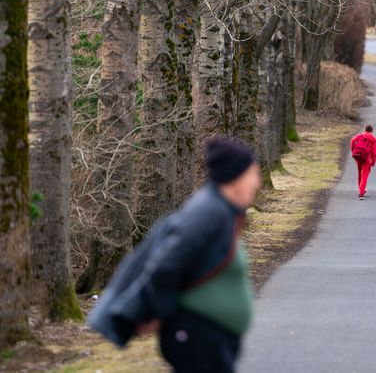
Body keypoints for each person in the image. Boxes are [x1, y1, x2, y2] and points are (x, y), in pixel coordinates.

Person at [89, 137, 261, 373]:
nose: (257, 182)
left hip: (207, 338)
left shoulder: (221, 210)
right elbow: (165, 266)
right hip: (195, 335)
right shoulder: (210, 212)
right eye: (253, 174)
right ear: (235, 178)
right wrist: (165, 314)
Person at [350, 124, 376, 200]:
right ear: (372, 131)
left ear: (365, 129)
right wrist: (373, 163)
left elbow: (352, 141)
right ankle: (361, 192)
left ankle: (361, 190)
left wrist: (353, 151)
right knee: (364, 175)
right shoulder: (373, 140)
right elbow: (374, 153)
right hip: (366, 159)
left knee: (360, 173)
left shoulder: (359, 136)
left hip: (358, 157)